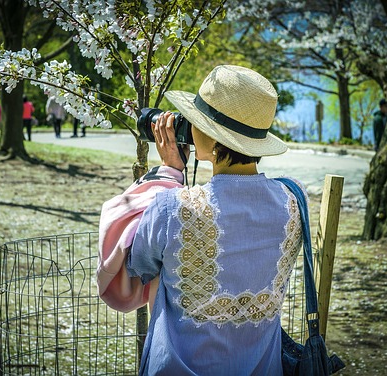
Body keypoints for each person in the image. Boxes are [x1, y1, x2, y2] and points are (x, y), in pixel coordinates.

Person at [97, 65, 303, 375]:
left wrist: (168, 173)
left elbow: (136, 265)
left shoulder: (172, 207)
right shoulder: (293, 200)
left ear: (210, 134)